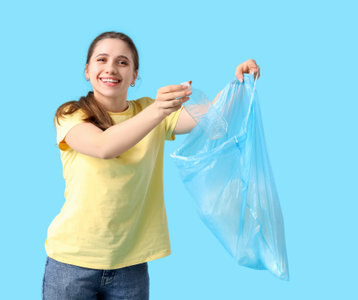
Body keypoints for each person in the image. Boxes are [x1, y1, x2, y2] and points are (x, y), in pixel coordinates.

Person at [42, 31, 261, 300]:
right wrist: (158, 110)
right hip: (72, 263)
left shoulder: (149, 110)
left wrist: (237, 84)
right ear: (87, 70)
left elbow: (211, 121)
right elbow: (104, 147)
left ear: (134, 76)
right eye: (102, 59)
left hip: (130, 264)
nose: (111, 68)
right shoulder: (71, 114)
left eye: (123, 62)